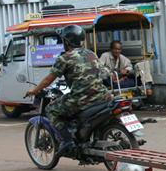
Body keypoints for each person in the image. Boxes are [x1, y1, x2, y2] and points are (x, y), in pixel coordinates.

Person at [23, 24, 109, 156]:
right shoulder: (92, 54)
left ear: (66, 41)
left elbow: (48, 80)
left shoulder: (65, 58)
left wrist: (34, 90)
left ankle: (67, 141)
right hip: (102, 96)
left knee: (51, 109)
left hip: (81, 99)